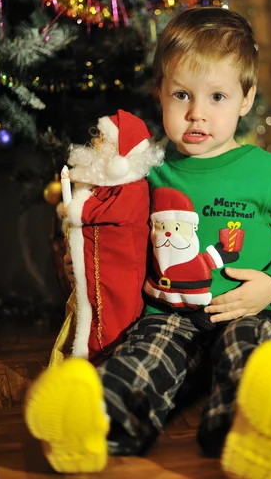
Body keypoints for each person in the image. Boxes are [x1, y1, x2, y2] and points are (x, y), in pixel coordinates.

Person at [24, 7, 271, 479]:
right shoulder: (149, 169)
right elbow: (117, 227)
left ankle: (252, 431)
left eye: (218, 97)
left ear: (246, 100)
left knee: (251, 353)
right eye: (182, 95)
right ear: (160, 95)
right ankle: (91, 422)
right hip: (169, 312)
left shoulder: (269, 172)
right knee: (143, 359)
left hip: (249, 308)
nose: (196, 114)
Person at [51, 110, 164, 364]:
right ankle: (88, 361)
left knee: (116, 319)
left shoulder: (134, 187)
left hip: (121, 271)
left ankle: (110, 365)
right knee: (92, 313)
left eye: (105, 138)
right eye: (99, 137)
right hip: (100, 268)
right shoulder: (105, 185)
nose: (97, 143)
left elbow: (117, 212)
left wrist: (77, 210)